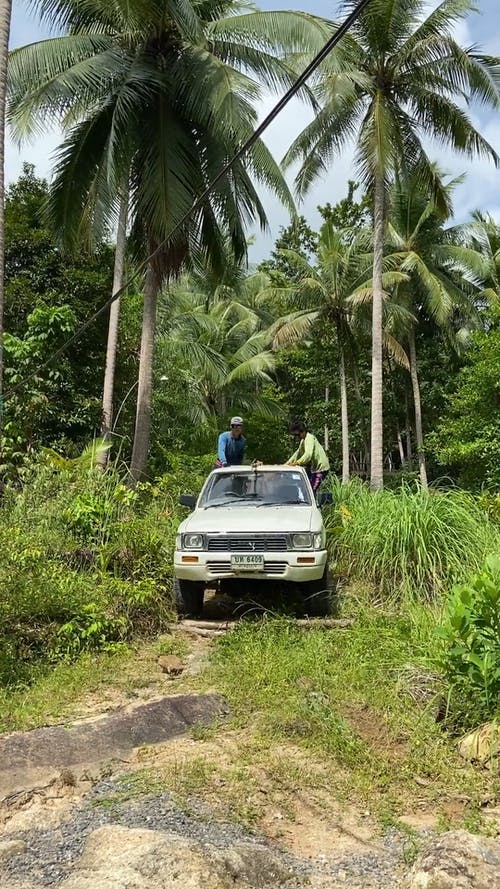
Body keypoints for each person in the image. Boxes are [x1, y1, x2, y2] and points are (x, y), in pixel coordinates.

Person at [286, 421, 330, 493]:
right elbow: (297, 454)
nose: (296, 437)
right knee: (307, 488)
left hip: (321, 469)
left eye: (297, 435)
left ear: (302, 432)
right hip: (314, 468)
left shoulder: (309, 439)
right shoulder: (303, 441)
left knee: (311, 491)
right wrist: (286, 464)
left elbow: (308, 455)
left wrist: (297, 463)